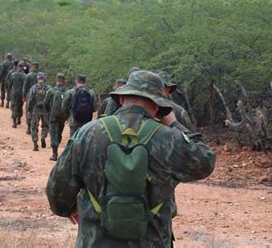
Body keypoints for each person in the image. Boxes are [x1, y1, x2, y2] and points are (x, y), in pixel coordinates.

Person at [46, 70, 216, 247]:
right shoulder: (169, 138)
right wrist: (174, 123)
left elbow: (57, 193)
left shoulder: (88, 133)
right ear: (158, 106)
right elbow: (206, 161)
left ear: (121, 99)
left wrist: (71, 209)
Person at [44, 73, 68, 161]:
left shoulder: (51, 90)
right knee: (59, 133)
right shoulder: (67, 91)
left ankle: (54, 154)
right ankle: (57, 146)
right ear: (64, 81)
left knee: (53, 134)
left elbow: (45, 103)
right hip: (62, 117)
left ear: (56, 80)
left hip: (53, 116)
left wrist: (48, 113)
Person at [27, 73, 50, 151]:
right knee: (46, 125)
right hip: (45, 110)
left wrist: (29, 110)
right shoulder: (48, 88)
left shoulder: (34, 88)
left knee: (34, 126)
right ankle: (43, 136)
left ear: (37, 79)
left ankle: (35, 144)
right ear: (45, 79)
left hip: (35, 109)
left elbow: (30, 99)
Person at [8, 61, 27, 128]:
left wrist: (9, 91)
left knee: (14, 107)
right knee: (20, 106)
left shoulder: (13, 74)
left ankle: (14, 123)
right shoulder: (25, 76)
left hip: (14, 93)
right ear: (22, 67)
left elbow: (9, 84)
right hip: (21, 93)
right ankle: (19, 119)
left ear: (17, 66)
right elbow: (26, 86)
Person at [23, 62, 39, 135]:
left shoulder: (28, 75)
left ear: (33, 67)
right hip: (38, 97)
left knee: (29, 111)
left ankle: (29, 128)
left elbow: (25, 87)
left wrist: (23, 96)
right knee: (36, 111)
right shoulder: (41, 76)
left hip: (29, 96)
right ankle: (35, 127)